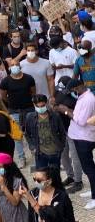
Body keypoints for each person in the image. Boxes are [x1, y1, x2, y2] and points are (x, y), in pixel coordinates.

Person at [58, 78, 95, 209]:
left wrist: (66, 110)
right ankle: (93, 190)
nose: (73, 93)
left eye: (73, 90)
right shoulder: (83, 97)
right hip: (80, 137)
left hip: (84, 139)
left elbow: (81, 121)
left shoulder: (87, 99)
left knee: (89, 168)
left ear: (78, 88)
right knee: (88, 168)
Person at [0, 60, 35, 168]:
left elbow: (33, 92)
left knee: (31, 133)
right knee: (17, 136)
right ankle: (21, 158)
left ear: (20, 66)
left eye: (16, 65)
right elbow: (3, 96)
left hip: (29, 109)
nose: (14, 67)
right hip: (14, 111)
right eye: (12, 65)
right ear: (9, 67)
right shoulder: (5, 81)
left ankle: (34, 153)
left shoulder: (29, 78)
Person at [25, 94, 66, 168]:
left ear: (46, 103)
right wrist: (32, 147)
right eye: (38, 106)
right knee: (42, 177)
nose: (40, 108)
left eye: (42, 106)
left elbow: (62, 132)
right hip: (40, 154)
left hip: (55, 153)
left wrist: (61, 146)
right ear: (34, 105)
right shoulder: (30, 117)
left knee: (55, 177)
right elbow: (27, 134)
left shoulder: (55, 116)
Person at [0, 152, 28, 222]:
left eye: (0, 167)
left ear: (7, 167)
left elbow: (15, 202)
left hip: (16, 214)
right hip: (2, 211)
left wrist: (3, 186)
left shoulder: (17, 180)